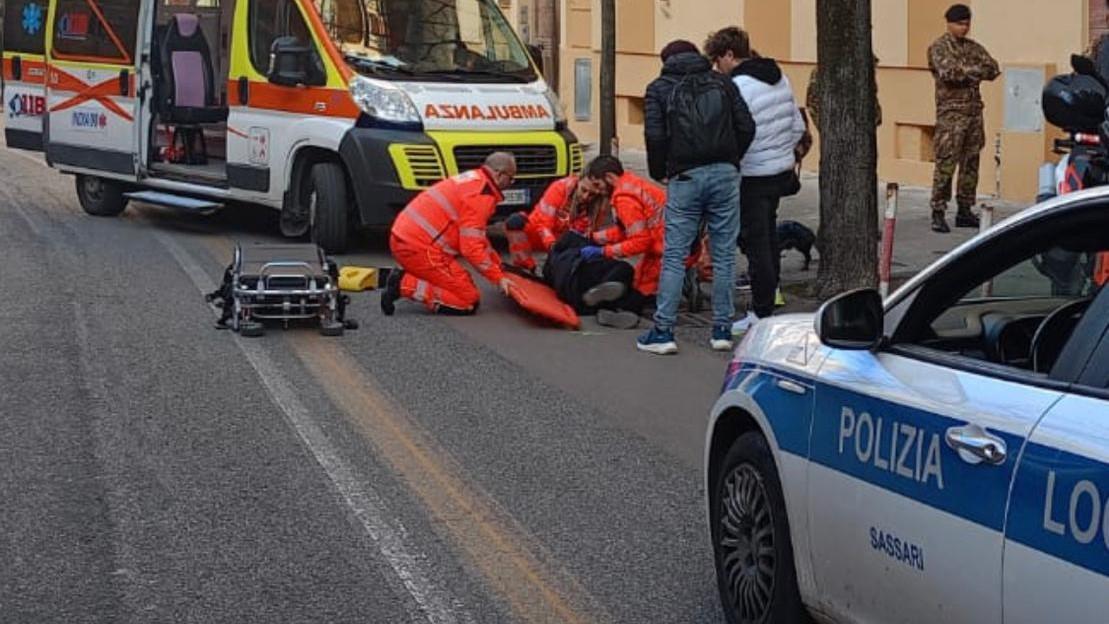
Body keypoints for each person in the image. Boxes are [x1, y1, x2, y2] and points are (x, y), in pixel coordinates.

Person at [636, 39, 755, 355]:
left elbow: (655, 135)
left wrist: (660, 170)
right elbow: (746, 126)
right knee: (725, 253)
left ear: (667, 61)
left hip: (685, 176)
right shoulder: (722, 82)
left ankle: (663, 332)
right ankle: (721, 331)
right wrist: (731, 159)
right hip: (724, 173)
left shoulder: (658, 88)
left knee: (674, 254)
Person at [705, 27, 805, 336]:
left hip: (752, 175)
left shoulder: (737, 87)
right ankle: (768, 298)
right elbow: (797, 127)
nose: (715, 67)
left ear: (730, 56)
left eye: (716, 59)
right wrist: (780, 153)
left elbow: (730, 133)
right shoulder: (780, 78)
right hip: (779, 172)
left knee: (756, 242)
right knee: (768, 237)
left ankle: (761, 312)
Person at [380, 152, 517, 315]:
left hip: (411, 240)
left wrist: (497, 265)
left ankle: (411, 279)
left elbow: (478, 237)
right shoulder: (481, 196)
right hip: (419, 248)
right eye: (511, 178)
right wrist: (498, 278)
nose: (512, 183)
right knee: (467, 300)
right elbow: (471, 248)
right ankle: (403, 284)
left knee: (463, 283)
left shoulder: (475, 180)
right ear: (499, 174)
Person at [927, 3, 1000, 233]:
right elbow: (949, 73)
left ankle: (965, 210)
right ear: (949, 23)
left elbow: (992, 69)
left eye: (967, 24)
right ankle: (938, 211)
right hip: (951, 116)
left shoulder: (973, 47)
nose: (964, 28)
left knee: (971, 163)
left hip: (973, 114)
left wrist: (967, 70)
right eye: (960, 24)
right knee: (946, 164)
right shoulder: (939, 47)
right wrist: (972, 71)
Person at [577, 155, 668, 327]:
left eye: (598, 184)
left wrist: (604, 251)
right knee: (639, 280)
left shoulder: (624, 200)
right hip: (669, 242)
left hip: (667, 249)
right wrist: (597, 238)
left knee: (642, 285)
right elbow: (626, 230)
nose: (598, 191)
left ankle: (626, 310)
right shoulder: (632, 183)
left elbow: (640, 241)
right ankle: (619, 302)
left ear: (610, 177)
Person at [503, 174, 602, 272]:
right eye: (583, 190)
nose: (585, 197)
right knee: (514, 223)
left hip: (564, 237)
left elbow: (585, 234)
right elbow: (543, 224)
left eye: (591, 194)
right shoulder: (559, 188)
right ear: (578, 182)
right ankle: (525, 267)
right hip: (541, 232)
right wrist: (552, 245)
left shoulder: (599, 204)